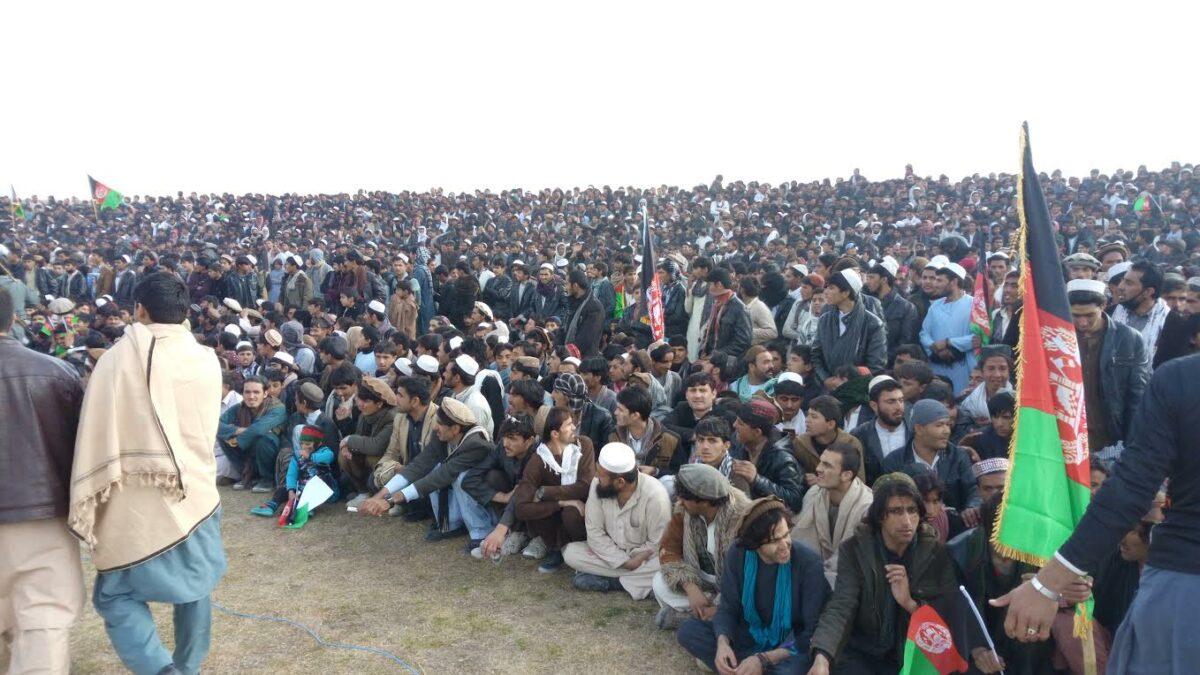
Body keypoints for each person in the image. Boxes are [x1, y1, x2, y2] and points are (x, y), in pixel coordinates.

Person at [990, 355, 1200, 672]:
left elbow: (1131, 489)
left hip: (1184, 593)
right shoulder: (1181, 380)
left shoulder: (1181, 379)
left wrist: (1047, 584)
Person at [68, 272, 227, 675]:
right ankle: (187, 667)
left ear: (139, 309)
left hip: (133, 500)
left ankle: (162, 670)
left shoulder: (117, 359)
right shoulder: (207, 359)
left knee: (116, 595)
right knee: (196, 586)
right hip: (195, 492)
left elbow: (96, 426)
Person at [0, 286, 85, 674]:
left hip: (42, 509)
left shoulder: (56, 372)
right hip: (43, 518)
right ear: (13, 318)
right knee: (42, 624)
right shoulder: (55, 372)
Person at [807, 473, 958, 674]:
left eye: (912, 510)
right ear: (879, 516)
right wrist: (822, 658)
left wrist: (910, 604)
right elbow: (842, 606)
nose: (907, 521)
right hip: (866, 652)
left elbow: (949, 617)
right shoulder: (855, 550)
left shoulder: (935, 553)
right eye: (896, 511)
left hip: (917, 653)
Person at [676, 497, 830, 673]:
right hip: (749, 633)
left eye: (786, 535)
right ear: (754, 544)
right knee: (689, 632)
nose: (784, 545)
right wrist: (723, 644)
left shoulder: (808, 563)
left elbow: (811, 632)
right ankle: (739, 665)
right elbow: (728, 608)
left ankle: (743, 667)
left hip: (789, 645)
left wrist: (763, 659)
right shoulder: (738, 553)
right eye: (773, 541)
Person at [563, 442, 671, 599]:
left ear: (620, 482)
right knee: (570, 553)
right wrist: (624, 562)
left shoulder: (655, 495)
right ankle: (641, 582)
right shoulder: (597, 485)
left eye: (600, 474)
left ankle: (614, 583)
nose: (595, 477)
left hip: (644, 558)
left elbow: (657, 543)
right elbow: (594, 532)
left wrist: (634, 558)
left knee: (664, 564)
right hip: (617, 557)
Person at [653, 463, 753, 629]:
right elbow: (669, 550)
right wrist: (691, 588)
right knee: (659, 583)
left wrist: (722, 600)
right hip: (703, 579)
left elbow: (746, 574)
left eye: (685, 498)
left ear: (705, 501)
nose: (679, 501)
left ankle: (692, 618)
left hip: (736, 586)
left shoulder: (742, 518)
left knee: (748, 602)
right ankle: (710, 616)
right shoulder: (683, 511)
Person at [1067, 278, 1150, 463]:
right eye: (1076, 315)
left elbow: (1137, 395)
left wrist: (1134, 442)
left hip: (1111, 438)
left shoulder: (1129, 339)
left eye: (1089, 315)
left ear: (1103, 305)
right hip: (1069, 436)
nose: (1082, 322)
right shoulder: (1058, 337)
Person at [791, 442, 874, 588]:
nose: (818, 469)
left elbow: (856, 559)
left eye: (827, 465)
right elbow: (799, 542)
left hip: (851, 584)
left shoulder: (867, 506)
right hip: (812, 576)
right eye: (820, 463)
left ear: (846, 475)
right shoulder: (814, 493)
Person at [882, 399, 980, 511]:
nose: (947, 431)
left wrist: (972, 507)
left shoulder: (958, 456)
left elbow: (972, 489)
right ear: (918, 429)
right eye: (939, 425)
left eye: (948, 425)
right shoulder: (895, 461)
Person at [810, 269, 887, 388]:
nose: (826, 292)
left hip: (858, 389)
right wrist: (826, 379)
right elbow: (816, 354)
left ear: (845, 293)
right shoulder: (825, 320)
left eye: (831, 288)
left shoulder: (872, 323)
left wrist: (847, 382)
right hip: (827, 386)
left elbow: (876, 365)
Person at [250, 425, 339, 523]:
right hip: (301, 486)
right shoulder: (297, 456)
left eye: (308, 443)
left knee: (312, 489)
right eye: (302, 443)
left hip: (322, 488)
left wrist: (310, 456)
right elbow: (292, 474)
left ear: (319, 443)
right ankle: (272, 505)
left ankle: (305, 508)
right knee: (284, 489)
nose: (304, 446)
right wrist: (291, 490)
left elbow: (329, 457)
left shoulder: (325, 451)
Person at [732, 399, 805, 512]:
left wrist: (757, 480)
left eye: (740, 423)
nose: (734, 425)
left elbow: (794, 500)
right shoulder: (738, 441)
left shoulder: (783, 457)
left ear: (757, 432)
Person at [217, 375, 288, 492]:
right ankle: (248, 476)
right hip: (249, 443)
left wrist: (237, 439)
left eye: (256, 392)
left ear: (265, 393)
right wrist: (237, 430)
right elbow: (217, 425)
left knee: (264, 439)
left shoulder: (277, 408)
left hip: (273, 451)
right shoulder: (239, 407)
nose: (251, 397)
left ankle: (267, 479)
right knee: (224, 436)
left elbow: (259, 429)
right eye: (247, 392)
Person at [919, 262, 977, 394]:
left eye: (939, 280)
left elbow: (976, 338)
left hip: (963, 366)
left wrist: (948, 343)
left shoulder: (973, 304)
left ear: (954, 281)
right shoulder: (935, 306)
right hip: (937, 365)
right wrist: (935, 347)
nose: (935, 284)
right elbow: (924, 334)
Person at [338, 378, 398, 499]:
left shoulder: (391, 418)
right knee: (344, 455)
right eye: (359, 398)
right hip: (367, 462)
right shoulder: (365, 413)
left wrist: (349, 440)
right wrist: (346, 445)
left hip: (387, 463)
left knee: (372, 458)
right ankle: (363, 492)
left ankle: (381, 494)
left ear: (379, 403)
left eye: (366, 400)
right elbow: (359, 438)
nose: (360, 403)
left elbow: (376, 446)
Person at [611, 384, 682, 480]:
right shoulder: (612, 435)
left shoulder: (670, 440)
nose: (615, 412)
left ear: (635, 415)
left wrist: (655, 471)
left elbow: (680, 472)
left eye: (620, 410)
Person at [850, 376, 908, 486]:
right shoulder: (859, 435)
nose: (899, 407)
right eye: (891, 402)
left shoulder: (916, 432)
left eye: (901, 400)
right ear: (874, 406)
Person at [1111, 260, 1170, 365]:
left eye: (1128, 283)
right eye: (1122, 280)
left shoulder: (1170, 322)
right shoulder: (1111, 313)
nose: (1120, 287)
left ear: (1148, 292)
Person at [699, 268, 752, 359]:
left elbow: (742, 341)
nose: (708, 287)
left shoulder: (739, 308)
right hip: (711, 357)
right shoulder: (717, 304)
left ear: (719, 285)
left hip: (725, 362)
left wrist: (716, 355)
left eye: (710, 284)